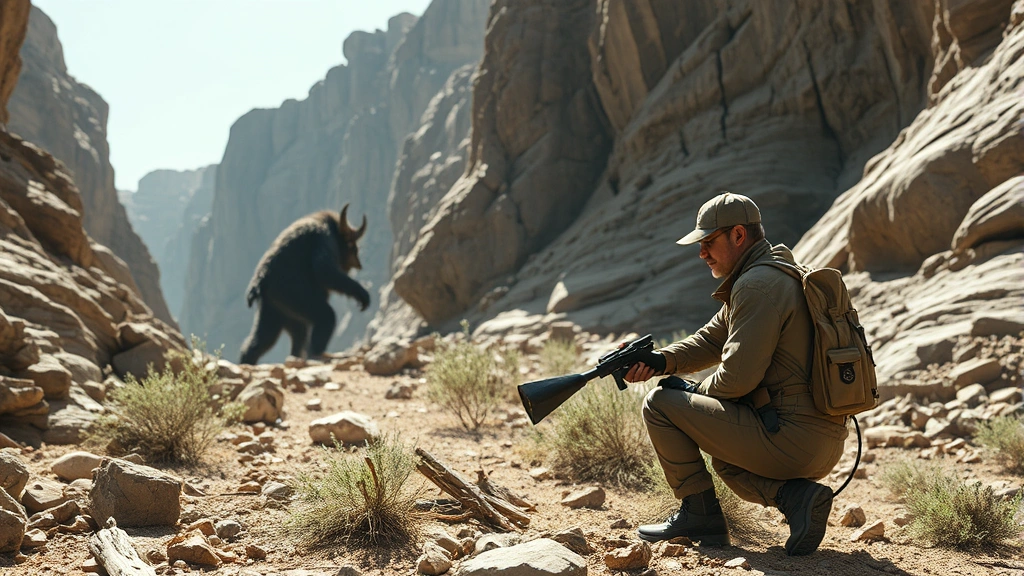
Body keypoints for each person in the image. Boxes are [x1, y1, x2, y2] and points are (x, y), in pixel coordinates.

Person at [624, 192, 848, 556]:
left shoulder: (756, 285)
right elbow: (710, 340)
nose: (702, 253)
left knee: (660, 404)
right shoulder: (775, 273)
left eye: (709, 242)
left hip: (792, 440)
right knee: (727, 458)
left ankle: (699, 515)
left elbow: (735, 380)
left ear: (739, 235)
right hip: (823, 440)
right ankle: (798, 498)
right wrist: (659, 360)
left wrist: (688, 389)